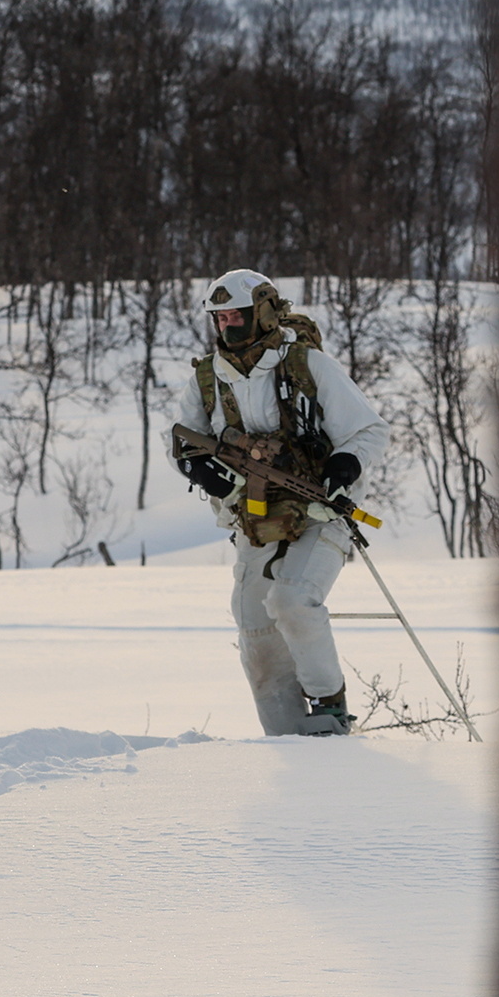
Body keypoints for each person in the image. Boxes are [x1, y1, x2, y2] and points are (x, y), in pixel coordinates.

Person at [170, 269, 389, 736]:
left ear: (262, 314)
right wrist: (199, 469)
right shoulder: (209, 378)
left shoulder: (307, 364)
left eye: (236, 314)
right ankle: (287, 735)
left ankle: (330, 711)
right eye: (219, 316)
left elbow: (370, 429)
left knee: (291, 601)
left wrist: (345, 465)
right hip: (254, 513)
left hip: (322, 508)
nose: (227, 324)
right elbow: (184, 440)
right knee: (252, 620)